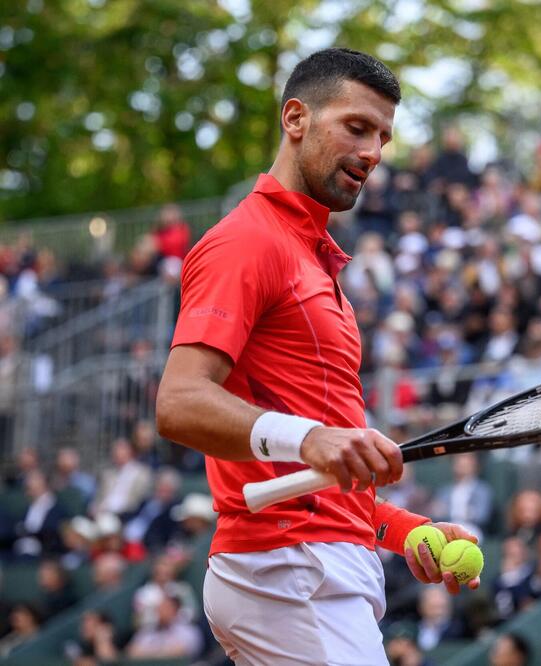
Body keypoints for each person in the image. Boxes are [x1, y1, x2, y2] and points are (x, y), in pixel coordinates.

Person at [155, 48, 478, 665]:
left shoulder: (310, 255)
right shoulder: (246, 242)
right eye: (356, 127)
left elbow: (317, 477)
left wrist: (404, 530)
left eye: (384, 136)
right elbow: (179, 403)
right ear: (296, 119)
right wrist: (309, 438)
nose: (374, 152)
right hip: (289, 568)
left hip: (309, 564)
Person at [124, 594, 203, 660]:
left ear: (175, 609)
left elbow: (180, 652)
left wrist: (147, 652)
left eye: (165, 608)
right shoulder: (148, 630)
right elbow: (131, 652)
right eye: (159, 608)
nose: (160, 611)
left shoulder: (187, 630)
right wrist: (161, 652)